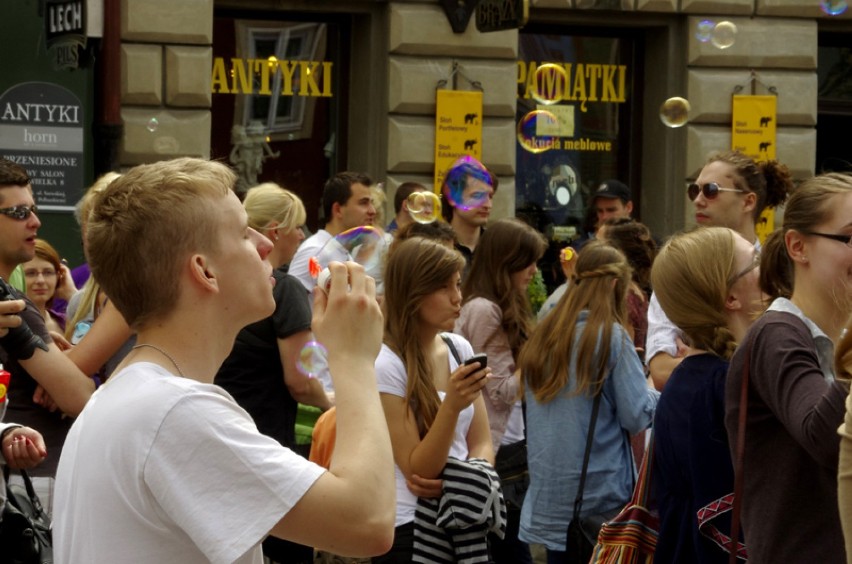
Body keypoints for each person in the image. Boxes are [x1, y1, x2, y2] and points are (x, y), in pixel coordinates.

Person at [53, 157, 395, 562]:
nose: (265, 243)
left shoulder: (125, 399)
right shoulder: (175, 412)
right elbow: (367, 522)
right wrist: (353, 357)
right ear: (205, 271)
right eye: (242, 233)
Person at [725, 172, 852, 564]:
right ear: (799, 246)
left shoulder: (836, 334)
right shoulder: (777, 335)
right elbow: (828, 438)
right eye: (850, 237)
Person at [517, 241, 659, 562]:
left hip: (551, 496)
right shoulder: (610, 335)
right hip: (598, 498)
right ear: (613, 285)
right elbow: (636, 415)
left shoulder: (544, 333)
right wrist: (659, 391)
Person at [214, 182, 331, 564]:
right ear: (278, 230)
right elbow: (301, 380)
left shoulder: (222, 283)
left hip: (221, 435)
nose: (303, 236)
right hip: (271, 444)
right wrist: (333, 403)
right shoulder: (285, 289)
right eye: (299, 227)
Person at [373, 237, 495, 563]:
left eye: (458, 284)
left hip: (462, 514)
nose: (458, 299)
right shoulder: (387, 363)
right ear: (413, 293)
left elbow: (482, 441)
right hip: (410, 527)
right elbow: (419, 469)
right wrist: (452, 406)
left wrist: (467, 480)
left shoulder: (459, 348)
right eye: (444, 288)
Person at [650, 227, 762, 563]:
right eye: (756, 262)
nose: (767, 269)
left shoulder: (689, 378)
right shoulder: (727, 384)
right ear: (730, 297)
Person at [646, 150, 792, 390]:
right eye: (694, 190)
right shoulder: (682, 267)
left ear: (748, 201)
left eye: (711, 190)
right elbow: (661, 371)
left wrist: (693, 360)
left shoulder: (777, 268)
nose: (698, 200)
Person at [454, 217, 547, 564]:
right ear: (507, 261)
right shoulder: (485, 309)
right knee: (510, 549)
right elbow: (501, 391)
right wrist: (542, 353)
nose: (534, 271)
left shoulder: (500, 304)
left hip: (508, 443)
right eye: (529, 261)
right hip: (495, 447)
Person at [0, 159, 95, 483]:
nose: (36, 222)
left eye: (34, 209)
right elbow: (79, 396)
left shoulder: (14, 303)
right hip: (38, 475)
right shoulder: (11, 305)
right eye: (19, 213)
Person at [64, 173, 135, 380]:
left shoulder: (135, 296)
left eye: (109, 224)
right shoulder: (79, 302)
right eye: (92, 224)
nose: (98, 236)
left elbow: (74, 369)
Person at [288, 171, 376, 293]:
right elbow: (290, 301)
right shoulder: (315, 251)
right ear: (338, 209)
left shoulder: (341, 251)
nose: (372, 211)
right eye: (363, 203)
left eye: (372, 203)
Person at [597, 218, 656, 357]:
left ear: (619, 253)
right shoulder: (633, 290)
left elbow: (621, 355)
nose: (592, 252)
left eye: (600, 246)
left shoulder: (622, 296)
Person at [440, 157, 497, 277]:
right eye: (477, 196)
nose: (487, 205)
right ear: (453, 197)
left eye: (490, 196)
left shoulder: (497, 247)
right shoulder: (435, 248)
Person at [570, 179, 634, 252]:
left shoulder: (640, 241)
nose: (604, 217)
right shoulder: (584, 240)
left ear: (628, 207)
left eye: (611, 210)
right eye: (600, 211)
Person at [23, 239, 68, 334]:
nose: (41, 280)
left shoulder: (67, 322)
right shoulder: (6, 326)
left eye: (48, 272)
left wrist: (71, 294)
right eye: (31, 273)